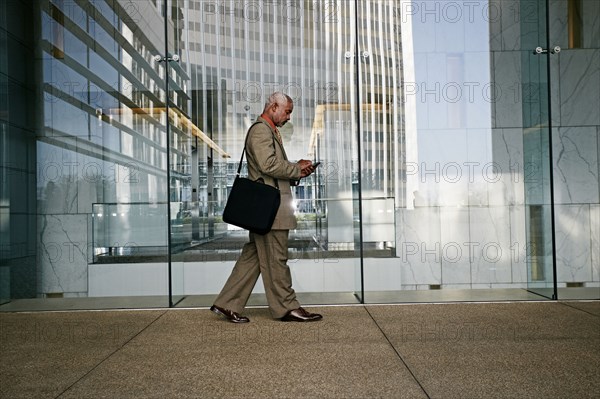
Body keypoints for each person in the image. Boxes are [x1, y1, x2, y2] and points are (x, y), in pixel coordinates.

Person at [210, 92, 322, 323]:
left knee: (253, 257)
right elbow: (267, 164)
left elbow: (270, 170)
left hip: (269, 209)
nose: (289, 116)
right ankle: (286, 308)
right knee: (276, 259)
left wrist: (297, 171)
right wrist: (295, 168)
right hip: (271, 211)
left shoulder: (269, 131)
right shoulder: (261, 130)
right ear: (273, 107)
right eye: (287, 111)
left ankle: (226, 304)